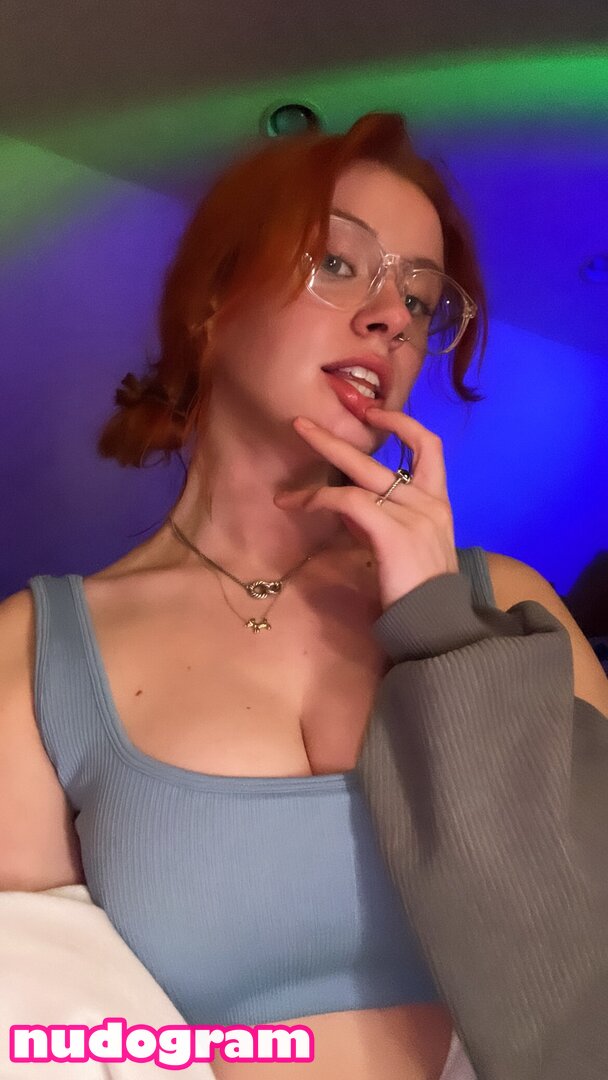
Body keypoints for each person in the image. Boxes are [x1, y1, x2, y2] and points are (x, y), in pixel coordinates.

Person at [1, 113, 607, 1080]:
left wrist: (445, 634)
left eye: (420, 297)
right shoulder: (38, 651)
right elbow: (40, 1015)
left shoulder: (505, 606)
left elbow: (582, 957)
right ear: (212, 300)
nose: (391, 316)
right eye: (336, 262)